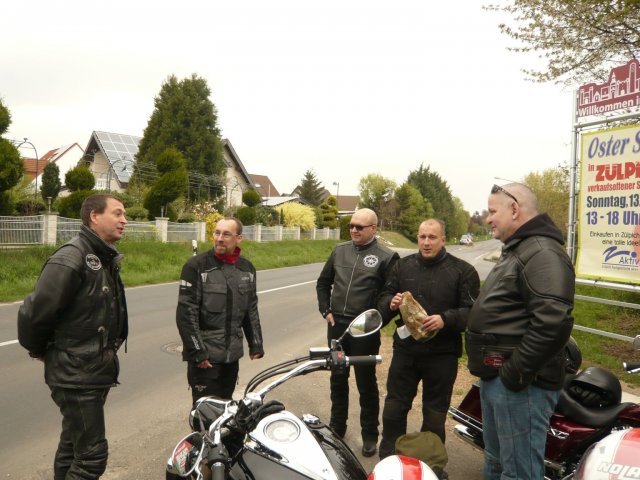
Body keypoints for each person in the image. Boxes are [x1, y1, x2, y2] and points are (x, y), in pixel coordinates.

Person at [466, 183, 575, 480]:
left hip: (521, 385)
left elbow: (553, 321)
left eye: (492, 211)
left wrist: (515, 372)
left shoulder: (541, 252)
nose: (488, 218)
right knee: (497, 463)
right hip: (502, 380)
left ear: (514, 209)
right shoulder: (520, 249)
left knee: (519, 473)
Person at [17, 194, 129, 480]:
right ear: (94, 216)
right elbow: (34, 314)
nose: (124, 220)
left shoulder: (102, 257)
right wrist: (40, 349)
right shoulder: (71, 257)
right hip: (76, 373)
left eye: (124, 214)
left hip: (91, 371)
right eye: (117, 213)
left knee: (72, 445)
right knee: (91, 458)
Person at [377, 219, 480, 460]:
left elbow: (474, 312)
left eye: (432, 237)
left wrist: (445, 319)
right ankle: (390, 458)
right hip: (406, 351)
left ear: (443, 239)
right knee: (394, 407)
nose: (426, 242)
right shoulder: (402, 267)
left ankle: (430, 465)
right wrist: (391, 303)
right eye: (422, 237)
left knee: (434, 414)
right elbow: (383, 299)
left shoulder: (463, 271)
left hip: (442, 354)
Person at [316, 208, 399, 457]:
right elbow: (323, 282)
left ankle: (370, 434)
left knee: (366, 382)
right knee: (338, 377)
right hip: (337, 326)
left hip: (364, 330)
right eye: (351, 225)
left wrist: (374, 321)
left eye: (359, 227)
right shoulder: (339, 250)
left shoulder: (387, 257)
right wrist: (325, 310)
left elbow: (390, 296)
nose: (353, 230)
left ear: (373, 228)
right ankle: (337, 427)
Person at [176, 217, 264, 404]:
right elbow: (186, 314)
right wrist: (198, 351)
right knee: (205, 411)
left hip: (232, 356)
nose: (219, 238)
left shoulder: (247, 269)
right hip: (205, 358)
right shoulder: (196, 267)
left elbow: (250, 309)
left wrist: (255, 343)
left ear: (239, 238)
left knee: (227, 408)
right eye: (217, 233)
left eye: (226, 234)